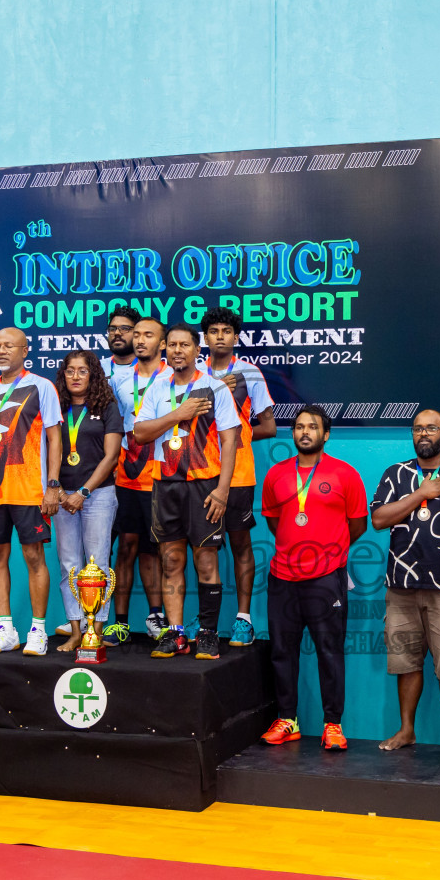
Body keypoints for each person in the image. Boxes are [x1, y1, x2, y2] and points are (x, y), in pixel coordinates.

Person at [371, 409, 440, 757]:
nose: (424, 434)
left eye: (431, 428)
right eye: (418, 428)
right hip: (401, 586)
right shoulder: (396, 474)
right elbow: (378, 519)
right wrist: (422, 494)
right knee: (405, 661)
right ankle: (406, 730)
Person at [259, 405, 368, 750]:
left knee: (329, 652)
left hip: (326, 578)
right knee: (281, 651)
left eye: (312, 427)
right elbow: (274, 521)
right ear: (293, 433)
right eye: (299, 426)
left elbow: (358, 525)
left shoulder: (345, 474)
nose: (305, 432)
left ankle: (332, 725)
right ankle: (287, 720)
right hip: (282, 577)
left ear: (326, 435)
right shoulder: (276, 474)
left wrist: (329, 551)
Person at [132, 322, 239, 658]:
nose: (177, 351)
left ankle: (207, 632)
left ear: (197, 350)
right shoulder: (157, 389)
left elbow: (230, 440)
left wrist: (222, 490)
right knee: (171, 560)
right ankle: (176, 633)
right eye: (173, 345)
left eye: (185, 345)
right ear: (166, 349)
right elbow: (140, 433)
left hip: (204, 485)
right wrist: (177, 414)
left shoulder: (215, 388)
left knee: (206, 560)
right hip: (165, 484)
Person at [0, 327, 63, 656]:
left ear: (24, 351)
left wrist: (52, 485)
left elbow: (54, 439)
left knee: (34, 557)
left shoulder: (42, 386)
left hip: (30, 490)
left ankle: (38, 629)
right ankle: (6, 629)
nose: (1, 351)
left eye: (9, 346)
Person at [201, 306, 277, 646]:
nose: (220, 336)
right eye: (213, 330)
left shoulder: (250, 373)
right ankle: (206, 625)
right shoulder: (193, 373)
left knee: (240, 544)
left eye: (226, 331)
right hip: (199, 473)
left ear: (236, 337)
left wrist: (235, 434)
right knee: (204, 549)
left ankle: (243, 619)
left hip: (239, 475)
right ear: (204, 338)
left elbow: (269, 426)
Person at [52, 350, 123, 651]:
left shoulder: (107, 406)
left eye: (83, 371)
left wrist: (83, 493)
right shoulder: (55, 407)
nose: (76, 377)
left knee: (97, 563)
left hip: (98, 494)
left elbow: (112, 456)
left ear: (93, 375)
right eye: (70, 371)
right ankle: (75, 630)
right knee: (69, 564)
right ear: (63, 375)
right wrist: (57, 490)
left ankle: (96, 629)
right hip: (62, 495)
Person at [108, 316, 168, 641]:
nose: (140, 340)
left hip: (161, 475)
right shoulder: (119, 381)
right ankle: (119, 622)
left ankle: (156, 617)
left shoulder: (173, 378)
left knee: (154, 550)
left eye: (148, 335)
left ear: (162, 344)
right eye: (138, 335)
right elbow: (114, 429)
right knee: (126, 547)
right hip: (126, 475)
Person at [99, 304, 140, 380]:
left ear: (137, 333)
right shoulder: (96, 368)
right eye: (112, 329)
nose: (117, 333)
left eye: (124, 328)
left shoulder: (149, 369)